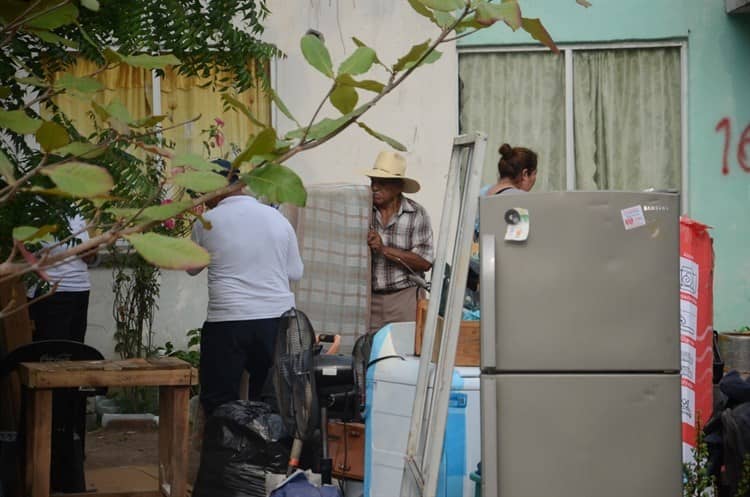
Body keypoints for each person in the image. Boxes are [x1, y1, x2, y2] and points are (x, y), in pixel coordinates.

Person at [187, 160, 304, 415]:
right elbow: (295, 272)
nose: (203, 199)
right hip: (276, 320)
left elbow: (191, 267)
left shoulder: (206, 221)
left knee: (220, 400)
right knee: (272, 398)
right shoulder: (277, 218)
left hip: (228, 320)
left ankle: (225, 452)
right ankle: (267, 452)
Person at [365, 151, 434, 334]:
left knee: (405, 355)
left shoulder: (416, 214)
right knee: (368, 354)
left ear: (398, 187)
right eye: (373, 182)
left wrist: (383, 249)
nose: (375, 188)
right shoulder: (363, 211)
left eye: (382, 183)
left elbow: (425, 262)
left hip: (404, 298)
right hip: (369, 300)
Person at [28, 214, 94, 342]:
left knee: (75, 349)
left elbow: (87, 258)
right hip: (52, 292)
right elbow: (28, 254)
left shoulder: (75, 208)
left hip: (81, 288)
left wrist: (91, 251)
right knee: (51, 351)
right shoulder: (34, 207)